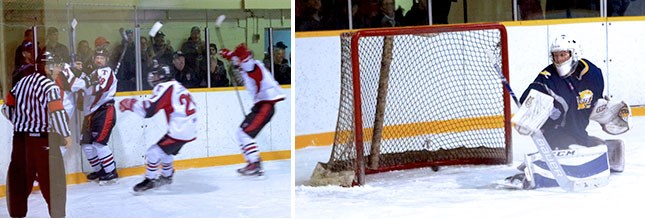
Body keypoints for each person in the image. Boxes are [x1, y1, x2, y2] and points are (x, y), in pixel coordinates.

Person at [506, 34, 631, 189]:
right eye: (555, 56)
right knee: (573, 149)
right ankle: (533, 170)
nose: (558, 60)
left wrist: (604, 112)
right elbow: (531, 94)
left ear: (574, 54)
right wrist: (528, 111)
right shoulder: (548, 77)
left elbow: (593, 103)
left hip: (578, 131)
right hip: (554, 133)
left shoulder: (593, 74)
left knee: (592, 147)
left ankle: (604, 151)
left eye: (563, 55)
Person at [2, 45, 71, 218]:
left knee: (18, 182)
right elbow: (57, 113)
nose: (58, 70)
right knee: (54, 184)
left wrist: (20, 123)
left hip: (20, 141)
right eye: (56, 66)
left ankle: (17, 215)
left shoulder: (21, 82)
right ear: (46, 67)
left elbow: (6, 108)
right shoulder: (50, 87)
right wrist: (66, 134)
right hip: (43, 142)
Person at [119, 61, 198, 192]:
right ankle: (167, 175)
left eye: (155, 75)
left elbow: (149, 110)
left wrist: (131, 104)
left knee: (153, 152)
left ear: (162, 76)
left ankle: (150, 179)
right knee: (166, 150)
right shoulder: (177, 86)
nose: (152, 78)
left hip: (180, 130)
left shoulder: (165, 86)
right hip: (188, 128)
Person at [220, 43, 286, 176]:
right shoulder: (250, 63)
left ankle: (255, 163)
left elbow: (245, 63)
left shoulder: (251, 66)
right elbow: (241, 60)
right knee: (241, 133)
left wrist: (232, 57)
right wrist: (230, 55)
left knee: (244, 134)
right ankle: (252, 162)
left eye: (239, 60)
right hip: (261, 106)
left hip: (265, 106)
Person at [79, 48, 119, 184]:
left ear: (106, 60)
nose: (99, 60)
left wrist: (82, 84)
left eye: (102, 58)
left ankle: (111, 172)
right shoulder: (93, 73)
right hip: (91, 114)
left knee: (99, 143)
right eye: (97, 57)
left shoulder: (106, 72)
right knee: (86, 144)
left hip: (104, 111)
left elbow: (98, 89)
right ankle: (100, 169)